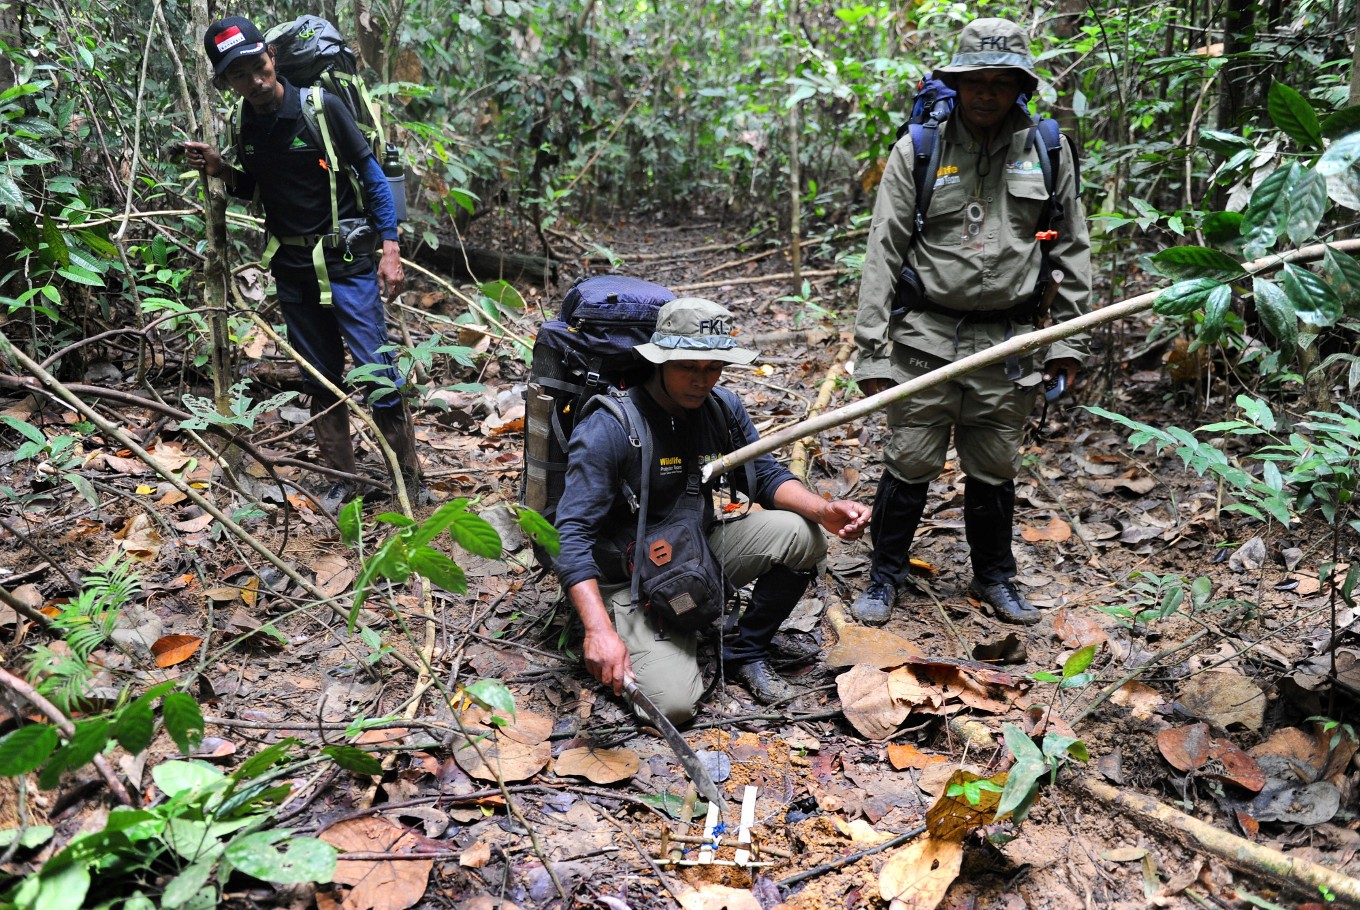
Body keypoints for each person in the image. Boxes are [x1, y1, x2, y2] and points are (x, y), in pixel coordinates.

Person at [851, 17, 1091, 626]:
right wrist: (873, 351)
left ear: (1020, 86)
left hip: (1010, 341)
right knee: (909, 460)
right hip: (925, 338)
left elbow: (1070, 247)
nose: (986, 93)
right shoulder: (919, 150)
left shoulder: (1048, 148)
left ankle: (995, 577)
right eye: (974, 81)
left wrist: (1069, 340)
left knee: (995, 466)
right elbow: (883, 251)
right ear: (955, 84)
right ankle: (885, 577)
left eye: (1001, 82)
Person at [553, 298, 870, 724]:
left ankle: (744, 651)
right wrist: (597, 630)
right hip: (628, 579)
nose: (701, 381)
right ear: (659, 361)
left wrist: (824, 508)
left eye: (713, 367)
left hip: (693, 549)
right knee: (673, 706)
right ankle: (632, 628)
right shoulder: (611, 426)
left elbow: (764, 473)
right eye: (688, 366)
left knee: (802, 534)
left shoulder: (721, 408)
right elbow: (570, 533)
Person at [183, 16, 425, 511]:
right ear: (226, 82)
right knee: (319, 375)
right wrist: (221, 169)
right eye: (239, 74)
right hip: (292, 271)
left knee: (377, 371)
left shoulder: (321, 108)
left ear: (271, 58)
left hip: (348, 262)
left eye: (258, 65)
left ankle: (409, 478)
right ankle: (343, 480)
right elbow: (260, 188)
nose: (254, 79)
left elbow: (372, 178)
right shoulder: (246, 123)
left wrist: (391, 248)